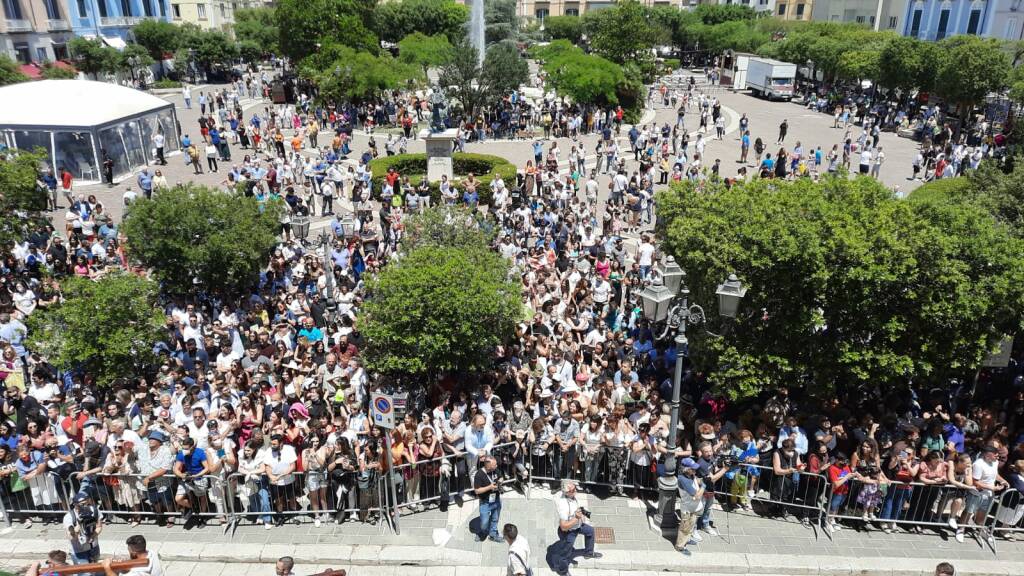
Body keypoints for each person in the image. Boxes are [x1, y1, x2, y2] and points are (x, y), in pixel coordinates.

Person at [553, 480, 601, 576]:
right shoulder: (564, 506)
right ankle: (562, 571)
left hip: (578, 525)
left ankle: (588, 553)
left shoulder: (571, 496)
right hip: (569, 532)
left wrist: (580, 513)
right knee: (565, 553)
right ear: (567, 492)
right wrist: (576, 518)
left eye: (575, 487)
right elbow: (563, 526)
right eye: (573, 489)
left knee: (590, 532)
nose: (576, 490)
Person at [64, 492, 103, 564]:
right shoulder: (69, 517)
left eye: (88, 504)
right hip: (79, 551)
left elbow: (99, 526)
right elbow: (71, 537)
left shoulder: (94, 510)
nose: (86, 506)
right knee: (85, 573)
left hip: (93, 547)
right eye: (82, 504)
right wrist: (79, 523)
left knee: (95, 570)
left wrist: (93, 535)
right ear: (75, 504)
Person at [675, 457, 703, 555]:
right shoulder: (683, 479)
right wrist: (704, 486)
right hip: (687, 508)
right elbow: (697, 495)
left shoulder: (690, 475)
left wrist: (702, 480)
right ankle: (680, 546)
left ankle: (687, 540)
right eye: (693, 469)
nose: (695, 470)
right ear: (686, 469)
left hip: (693, 507)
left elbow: (696, 482)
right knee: (685, 528)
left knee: (691, 525)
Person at [473, 455, 503, 542]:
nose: (496, 466)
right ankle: (483, 532)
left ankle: (493, 534)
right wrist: (489, 487)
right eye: (494, 465)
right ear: (488, 465)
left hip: (496, 500)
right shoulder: (479, 475)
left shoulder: (495, 470)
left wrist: (500, 481)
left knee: (495, 519)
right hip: (485, 502)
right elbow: (477, 491)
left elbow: (501, 477)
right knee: (484, 523)